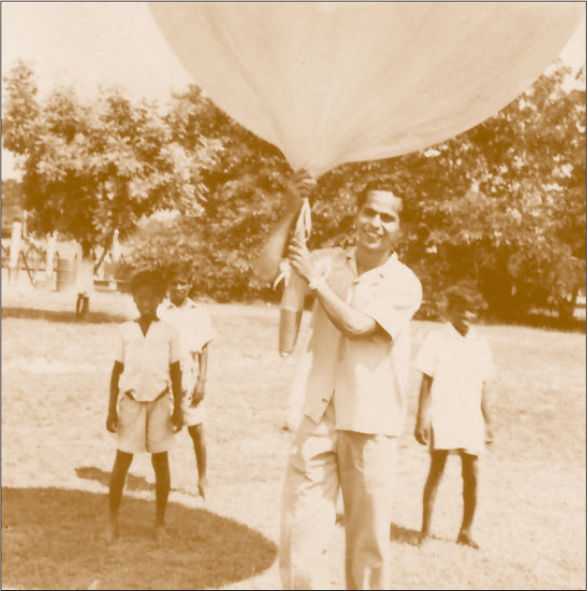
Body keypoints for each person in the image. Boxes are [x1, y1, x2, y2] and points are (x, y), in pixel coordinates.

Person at [255, 173, 422, 590]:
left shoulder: (404, 283)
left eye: (387, 217)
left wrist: (315, 280)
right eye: (369, 211)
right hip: (317, 416)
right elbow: (262, 271)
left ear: (400, 229)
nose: (375, 223)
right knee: (300, 540)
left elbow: (358, 325)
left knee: (367, 550)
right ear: (356, 213)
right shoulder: (328, 260)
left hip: (371, 423)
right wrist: (293, 208)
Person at [413, 283, 495, 550]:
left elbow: (483, 383)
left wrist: (488, 421)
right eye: (461, 310)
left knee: (471, 475)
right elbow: (426, 380)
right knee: (436, 471)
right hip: (443, 412)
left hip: (470, 415)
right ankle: (425, 531)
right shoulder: (437, 339)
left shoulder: (480, 342)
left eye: (472, 311)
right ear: (450, 311)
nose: (467, 316)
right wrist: (421, 418)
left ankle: (466, 531)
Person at [105, 269, 184, 543]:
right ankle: (112, 522)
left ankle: (160, 524)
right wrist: (111, 409)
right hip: (131, 403)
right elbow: (116, 372)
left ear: (161, 299)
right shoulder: (125, 331)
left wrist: (179, 409)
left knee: (161, 463)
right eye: (141, 299)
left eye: (151, 299)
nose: (146, 304)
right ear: (134, 300)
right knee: (121, 462)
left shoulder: (169, 332)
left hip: (160, 403)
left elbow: (176, 372)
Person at [159, 262, 216, 499]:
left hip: (190, 374)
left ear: (190, 285)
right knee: (162, 429)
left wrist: (201, 381)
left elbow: (204, 349)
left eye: (183, 283)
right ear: (168, 287)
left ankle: (202, 479)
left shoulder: (199, 312)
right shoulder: (161, 312)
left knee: (197, 429)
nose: (179, 288)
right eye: (174, 284)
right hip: (164, 375)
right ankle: (163, 480)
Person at [75, 240, 95, 321]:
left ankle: (79, 313)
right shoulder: (88, 256)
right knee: (84, 297)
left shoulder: (84, 255)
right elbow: (93, 261)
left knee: (81, 296)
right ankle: (82, 313)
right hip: (86, 276)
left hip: (83, 276)